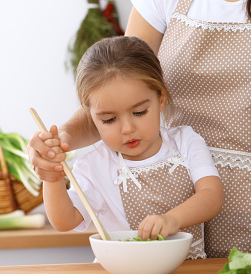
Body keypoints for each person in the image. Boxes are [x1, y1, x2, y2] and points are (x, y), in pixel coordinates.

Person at [29, 0, 251, 258]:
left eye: (142, 112)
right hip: (167, 228)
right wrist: (62, 140)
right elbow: (117, 92)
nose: (127, 125)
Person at [38, 36, 224, 259]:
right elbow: (64, 221)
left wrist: (172, 219)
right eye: (109, 120)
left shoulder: (185, 142)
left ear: (161, 99)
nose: (127, 129)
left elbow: (211, 196)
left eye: (139, 113)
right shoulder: (93, 166)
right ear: (91, 118)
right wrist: (52, 177)